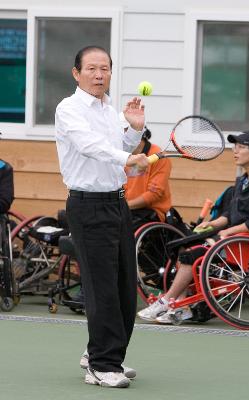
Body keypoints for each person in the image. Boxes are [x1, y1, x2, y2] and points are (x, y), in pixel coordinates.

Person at [55, 46, 149, 388]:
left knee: (126, 286)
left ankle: (101, 353)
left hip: (117, 205)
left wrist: (135, 131)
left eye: (105, 69)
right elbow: (88, 145)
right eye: (92, 69)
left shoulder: (110, 110)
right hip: (87, 206)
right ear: (76, 73)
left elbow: (119, 145)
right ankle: (101, 364)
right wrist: (127, 157)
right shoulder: (68, 109)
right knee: (103, 288)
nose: (99, 74)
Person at [138, 130, 249, 324]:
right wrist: (212, 224)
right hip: (232, 239)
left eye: (241, 147)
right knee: (181, 244)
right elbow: (230, 215)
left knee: (192, 255)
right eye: (235, 146)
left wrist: (227, 232)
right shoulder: (242, 182)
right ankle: (180, 303)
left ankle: (166, 300)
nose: (235, 151)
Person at [124, 126, 172, 229]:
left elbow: (154, 194)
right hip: (126, 210)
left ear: (138, 134)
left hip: (151, 212)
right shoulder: (122, 156)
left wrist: (124, 206)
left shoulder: (159, 156)